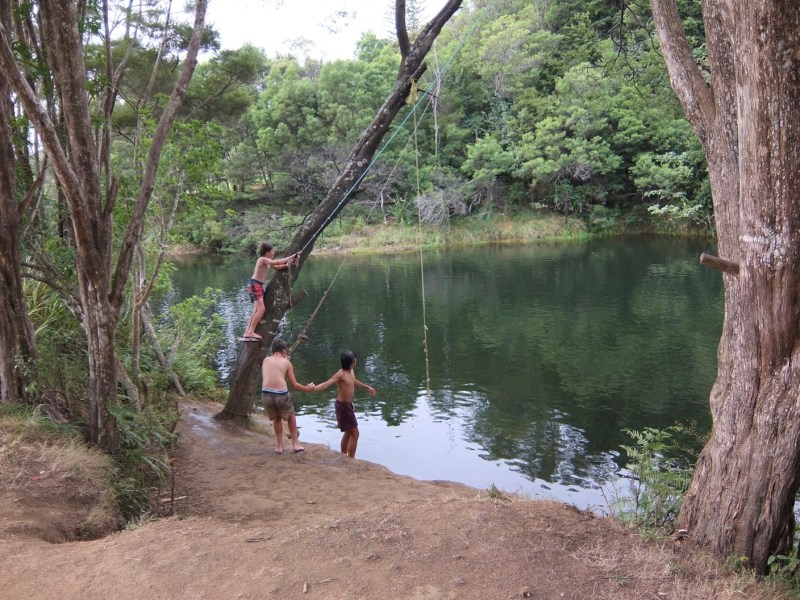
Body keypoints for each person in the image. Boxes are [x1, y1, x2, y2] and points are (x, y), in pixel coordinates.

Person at [310, 350, 376, 458]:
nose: (356, 360)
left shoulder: (351, 372)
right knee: (355, 434)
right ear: (352, 362)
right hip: (343, 407)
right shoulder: (341, 374)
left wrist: (367, 387)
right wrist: (313, 388)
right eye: (354, 359)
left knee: (348, 432)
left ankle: (344, 455)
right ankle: (351, 459)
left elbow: (354, 381)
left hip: (348, 406)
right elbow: (326, 384)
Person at [261, 338, 314, 454]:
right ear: (284, 351)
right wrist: (307, 389)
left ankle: (280, 447)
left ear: (273, 351)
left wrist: (285, 361)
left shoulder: (265, 360)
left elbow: (274, 371)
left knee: (277, 418)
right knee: (291, 415)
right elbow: (295, 385)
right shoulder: (287, 363)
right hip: (281, 395)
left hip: (266, 395)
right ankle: (295, 444)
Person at [243, 242, 298, 340]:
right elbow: (277, 262)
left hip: (256, 285)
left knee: (256, 310)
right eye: (272, 251)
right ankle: (251, 332)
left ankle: (247, 332)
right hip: (255, 284)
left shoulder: (268, 260)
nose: (274, 252)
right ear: (267, 252)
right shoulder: (262, 259)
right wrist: (292, 256)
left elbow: (277, 267)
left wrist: (290, 263)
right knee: (261, 310)